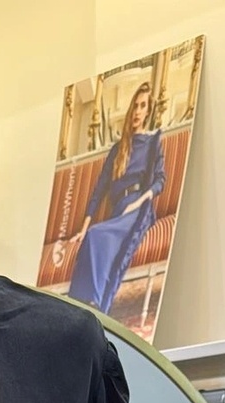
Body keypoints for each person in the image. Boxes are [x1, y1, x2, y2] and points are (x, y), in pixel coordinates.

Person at [61, 81, 165, 314]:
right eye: (135, 105)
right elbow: (99, 190)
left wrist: (138, 203)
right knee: (91, 235)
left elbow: (160, 181)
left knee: (99, 235)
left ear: (148, 111)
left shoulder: (152, 143)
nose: (137, 111)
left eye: (143, 106)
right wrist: (82, 228)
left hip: (138, 207)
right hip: (119, 209)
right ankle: (79, 309)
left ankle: (94, 305)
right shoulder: (118, 149)